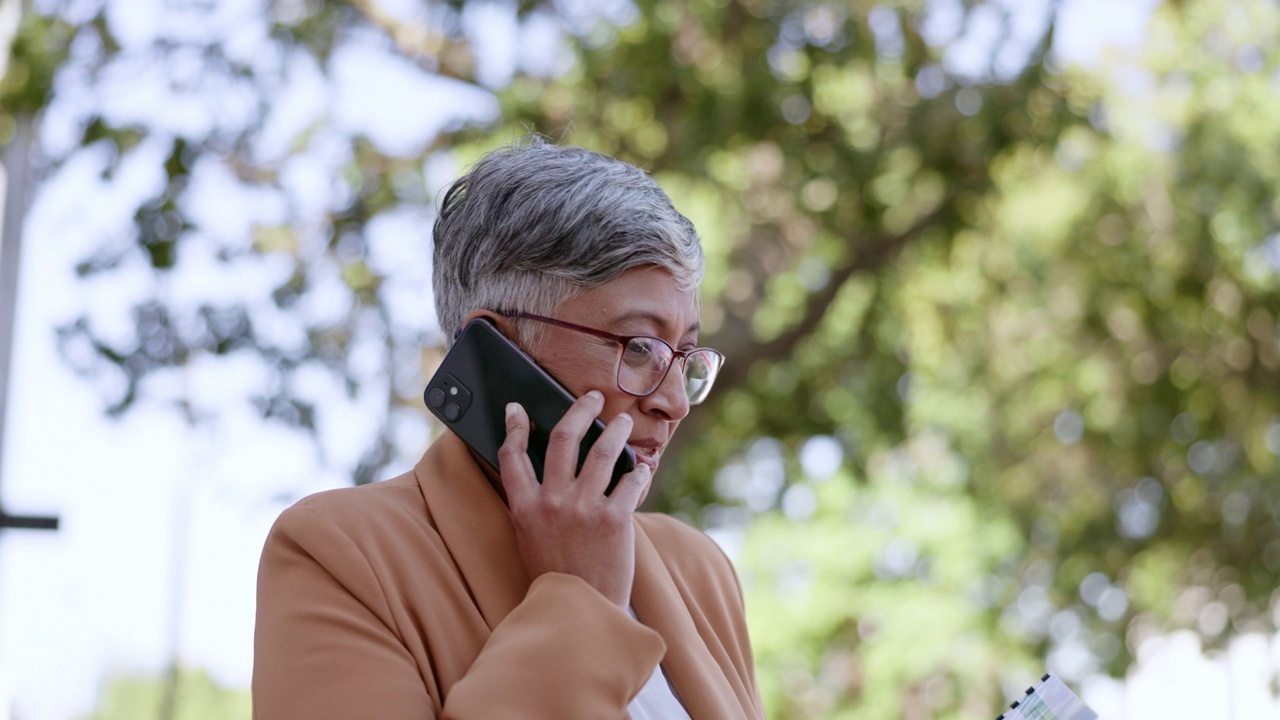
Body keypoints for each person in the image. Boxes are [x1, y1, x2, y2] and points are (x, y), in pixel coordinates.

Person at [252, 138, 765, 719]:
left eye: (686, 354)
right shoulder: (340, 553)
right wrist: (581, 599)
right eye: (640, 346)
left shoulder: (696, 569)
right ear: (500, 351)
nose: (674, 401)